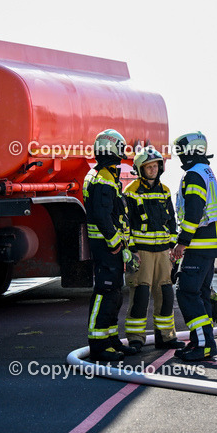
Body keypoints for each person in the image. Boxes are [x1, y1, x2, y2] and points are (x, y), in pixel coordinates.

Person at [84, 128, 138, 362]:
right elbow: (102, 215)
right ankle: (98, 344)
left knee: (114, 294)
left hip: (110, 247)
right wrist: (115, 242)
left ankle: (112, 339)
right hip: (107, 247)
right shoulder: (104, 177)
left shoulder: (104, 174)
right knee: (105, 292)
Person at [170, 131, 217, 362]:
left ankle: (202, 345)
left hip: (198, 245)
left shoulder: (194, 174)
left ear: (191, 151)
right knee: (199, 293)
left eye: (182, 151)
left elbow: (193, 212)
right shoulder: (205, 171)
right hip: (207, 245)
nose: (179, 156)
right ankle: (201, 342)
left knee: (187, 292)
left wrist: (181, 243)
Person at [123, 146, 182, 350]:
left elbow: (172, 221)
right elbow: (126, 223)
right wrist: (132, 250)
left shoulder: (165, 190)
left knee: (165, 293)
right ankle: (136, 339)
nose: (153, 170)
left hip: (163, 252)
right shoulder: (130, 192)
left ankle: (166, 337)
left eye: (156, 165)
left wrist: (173, 245)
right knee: (140, 294)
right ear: (140, 169)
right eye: (148, 166)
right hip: (142, 252)